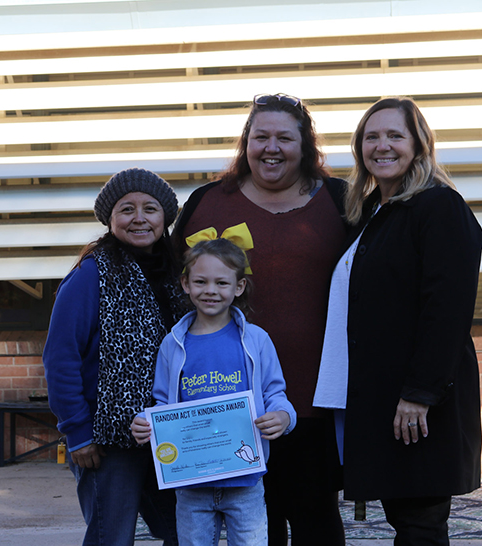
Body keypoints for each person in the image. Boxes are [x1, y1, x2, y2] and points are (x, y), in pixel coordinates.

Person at [173, 93, 347, 545]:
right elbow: (173, 287)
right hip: (226, 404)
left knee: (316, 520)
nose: (272, 148)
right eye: (261, 136)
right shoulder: (207, 202)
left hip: (316, 396)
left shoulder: (341, 200)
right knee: (252, 526)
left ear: (305, 145)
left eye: (285, 138)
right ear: (245, 142)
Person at [313, 97, 482, 546]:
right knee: (406, 521)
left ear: (419, 144)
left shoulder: (439, 207)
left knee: (419, 524)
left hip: (417, 406)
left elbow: (447, 310)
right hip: (383, 402)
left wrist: (420, 394)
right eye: (372, 137)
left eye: (394, 135)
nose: (381, 146)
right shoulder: (371, 213)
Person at [43, 167, 188, 546]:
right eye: (127, 209)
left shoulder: (180, 275)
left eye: (150, 209)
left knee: (184, 531)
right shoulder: (90, 275)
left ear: (165, 217)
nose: (139, 218)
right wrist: (77, 432)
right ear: (110, 218)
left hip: (170, 429)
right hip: (107, 441)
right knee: (112, 536)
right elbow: (61, 357)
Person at [132, 237, 297, 546]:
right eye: (201, 281)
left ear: (239, 287)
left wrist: (284, 416)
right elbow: (163, 402)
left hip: (245, 480)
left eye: (222, 282)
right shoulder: (173, 344)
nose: (210, 290)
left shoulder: (257, 340)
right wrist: (147, 422)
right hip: (191, 482)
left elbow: (276, 392)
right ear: (185, 283)